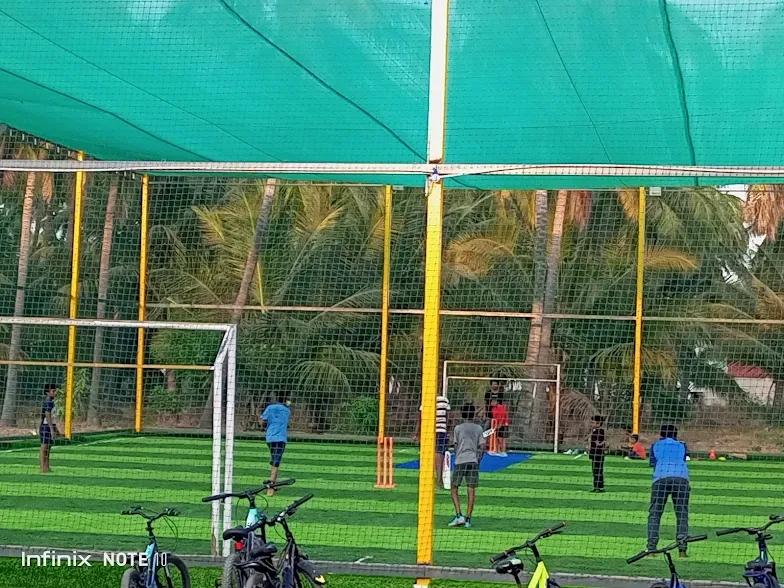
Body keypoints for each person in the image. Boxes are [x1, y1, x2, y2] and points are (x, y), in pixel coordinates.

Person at [647, 424, 690, 557]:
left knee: (655, 514)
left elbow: (653, 463)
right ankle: (682, 549)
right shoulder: (682, 445)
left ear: (661, 435)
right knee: (682, 514)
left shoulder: (655, 445)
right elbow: (683, 459)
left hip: (661, 478)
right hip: (681, 479)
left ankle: (651, 549)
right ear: (675, 435)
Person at [448, 403, 485, 529]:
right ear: (473, 414)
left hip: (460, 460)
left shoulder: (458, 428)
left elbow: (455, 445)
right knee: (471, 489)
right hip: (473, 460)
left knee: (454, 487)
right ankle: (468, 519)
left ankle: (459, 515)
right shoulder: (478, 428)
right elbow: (482, 447)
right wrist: (478, 460)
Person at [260, 394, 291, 496]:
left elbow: (262, 421)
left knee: (274, 459)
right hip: (281, 438)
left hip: (270, 437)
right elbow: (288, 424)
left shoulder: (270, 408)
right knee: (276, 461)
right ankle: (271, 487)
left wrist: (265, 426)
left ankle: (274, 484)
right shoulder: (287, 410)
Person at [418, 393, 451, 488]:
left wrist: (419, 432)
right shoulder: (444, 400)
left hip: (429, 430)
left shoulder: (427, 398)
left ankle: (430, 479)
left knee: (430, 454)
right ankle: (439, 479)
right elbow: (448, 417)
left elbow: (420, 416)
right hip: (440, 430)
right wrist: (448, 430)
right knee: (439, 453)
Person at [39, 383, 58, 474]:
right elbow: (47, 415)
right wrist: (51, 428)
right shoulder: (48, 401)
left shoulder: (52, 401)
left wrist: (55, 428)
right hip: (45, 426)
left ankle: (47, 466)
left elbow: (53, 417)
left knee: (48, 448)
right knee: (44, 447)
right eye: (53, 391)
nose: (55, 392)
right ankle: (42, 468)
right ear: (47, 392)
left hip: (50, 426)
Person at [588, 415, 607, 492]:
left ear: (598, 423)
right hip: (595, 453)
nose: (591, 424)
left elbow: (601, 442)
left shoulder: (599, 431)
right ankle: (597, 486)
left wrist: (599, 444)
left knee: (597, 470)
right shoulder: (595, 431)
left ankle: (598, 487)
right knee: (595, 470)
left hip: (598, 453)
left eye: (593, 422)